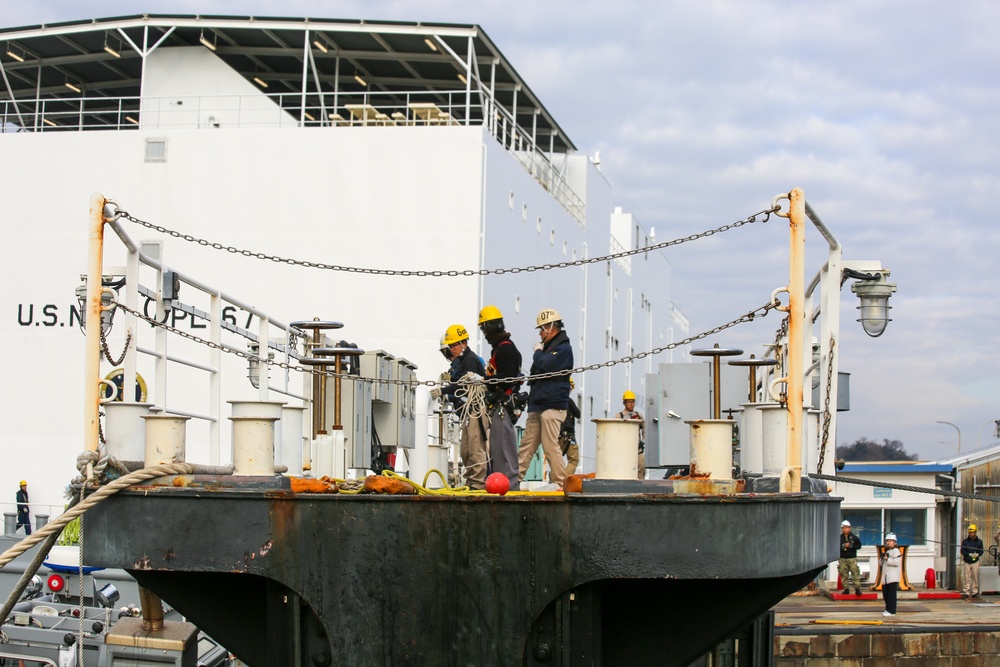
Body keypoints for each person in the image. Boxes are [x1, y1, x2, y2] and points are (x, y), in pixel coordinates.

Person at [518, 308, 572, 487]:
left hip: (552, 406)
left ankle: (560, 482)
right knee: (526, 446)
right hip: (539, 404)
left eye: (542, 329)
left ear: (551, 328)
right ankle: (514, 480)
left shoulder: (563, 349)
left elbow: (544, 364)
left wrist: (537, 352)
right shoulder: (551, 348)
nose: (540, 333)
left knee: (550, 446)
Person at [431, 324, 488, 489]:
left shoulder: (470, 360)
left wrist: (443, 390)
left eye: (454, 345)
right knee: (465, 450)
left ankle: (477, 483)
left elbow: (462, 385)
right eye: (450, 346)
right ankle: (470, 481)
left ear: (463, 343)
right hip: (467, 412)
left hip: (475, 410)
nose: (452, 349)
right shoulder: (463, 361)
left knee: (475, 448)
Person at [478, 305, 524, 492]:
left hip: (503, 406)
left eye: (483, 328)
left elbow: (507, 378)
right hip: (498, 406)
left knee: (504, 450)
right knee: (497, 450)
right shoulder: (500, 348)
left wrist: (485, 380)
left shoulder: (505, 349)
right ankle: (501, 486)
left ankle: (510, 487)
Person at [616, 390, 646, 479]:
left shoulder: (638, 415)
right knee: (625, 469)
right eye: (628, 402)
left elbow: (644, 428)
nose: (631, 404)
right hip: (624, 449)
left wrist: (644, 440)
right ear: (624, 403)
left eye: (632, 402)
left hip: (637, 448)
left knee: (641, 466)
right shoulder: (619, 416)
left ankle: (640, 486)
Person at [560, 381, 581, 475]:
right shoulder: (568, 400)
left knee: (555, 460)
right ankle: (564, 480)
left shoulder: (553, 400)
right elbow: (578, 414)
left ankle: (554, 481)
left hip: (555, 434)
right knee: (574, 459)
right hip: (568, 435)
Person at [838, 520, 863, 596]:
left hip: (852, 558)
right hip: (843, 558)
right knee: (844, 574)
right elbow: (836, 547)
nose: (844, 529)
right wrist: (843, 546)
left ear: (849, 528)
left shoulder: (854, 538)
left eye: (846, 528)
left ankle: (857, 589)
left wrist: (851, 546)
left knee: (855, 573)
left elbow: (859, 546)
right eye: (843, 528)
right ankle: (846, 589)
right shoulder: (839, 538)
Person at [961, 523, 984, 599]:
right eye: (969, 532)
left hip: (975, 562)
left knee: (975, 577)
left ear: (975, 532)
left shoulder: (979, 542)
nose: (970, 534)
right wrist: (969, 554)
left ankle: (975, 592)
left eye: (972, 532)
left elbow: (981, 551)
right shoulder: (965, 542)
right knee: (966, 578)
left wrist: (977, 554)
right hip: (967, 561)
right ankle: (966, 592)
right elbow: (962, 551)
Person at [881, 532, 900, 616]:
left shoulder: (896, 551)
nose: (888, 542)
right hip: (885, 577)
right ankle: (887, 609)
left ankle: (892, 611)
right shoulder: (887, 551)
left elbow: (896, 563)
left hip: (892, 577)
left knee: (891, 596)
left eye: (890, 541)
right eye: (887, 541)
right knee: (886, 594)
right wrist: (882, 558)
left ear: (894, 542)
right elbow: (881, 564)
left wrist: (887, 559)